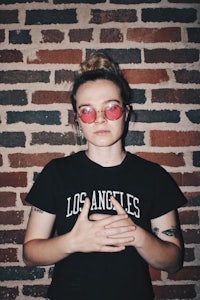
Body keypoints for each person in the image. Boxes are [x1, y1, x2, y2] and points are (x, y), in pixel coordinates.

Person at [23, 51, 187, 300]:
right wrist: (72, 242)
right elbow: (30, 254)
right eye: (87, 111)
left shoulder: (153, 176)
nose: (99, 119)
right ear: (77, 119)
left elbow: (173, 261)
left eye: (110, 108)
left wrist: (137, 235)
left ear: (126, 112)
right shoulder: (57, 173)